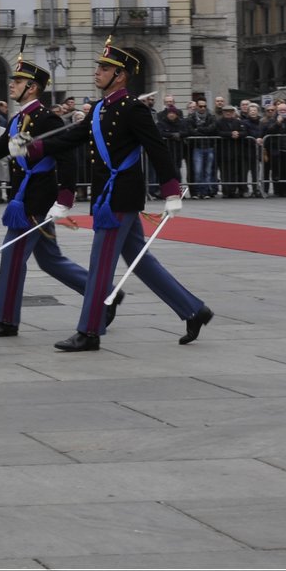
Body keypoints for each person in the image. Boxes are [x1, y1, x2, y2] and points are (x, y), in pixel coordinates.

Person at [25, 41, 211, 352]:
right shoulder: (99, 109)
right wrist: (33, 147)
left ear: (121, 76)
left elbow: (157, 148)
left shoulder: (133, 109)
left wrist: (171, 191)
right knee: (143, 262)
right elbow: (72, 137)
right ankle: (193, 309)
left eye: (104, 68)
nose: (97, 72)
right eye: (98, 67)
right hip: (106, 197)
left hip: (120, 199)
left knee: (100, 265)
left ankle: (89, 331)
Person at [0, 58, 103, 338]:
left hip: (36, 200)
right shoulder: (18, 119)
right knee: (50, 260)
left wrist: (65, 196)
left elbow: (66, 155)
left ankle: (7, 320)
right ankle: (102, 295)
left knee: (12, 256)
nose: (12, 85)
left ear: (32, 88)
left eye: (18, 82)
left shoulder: (47, 118)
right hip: (25, 196)